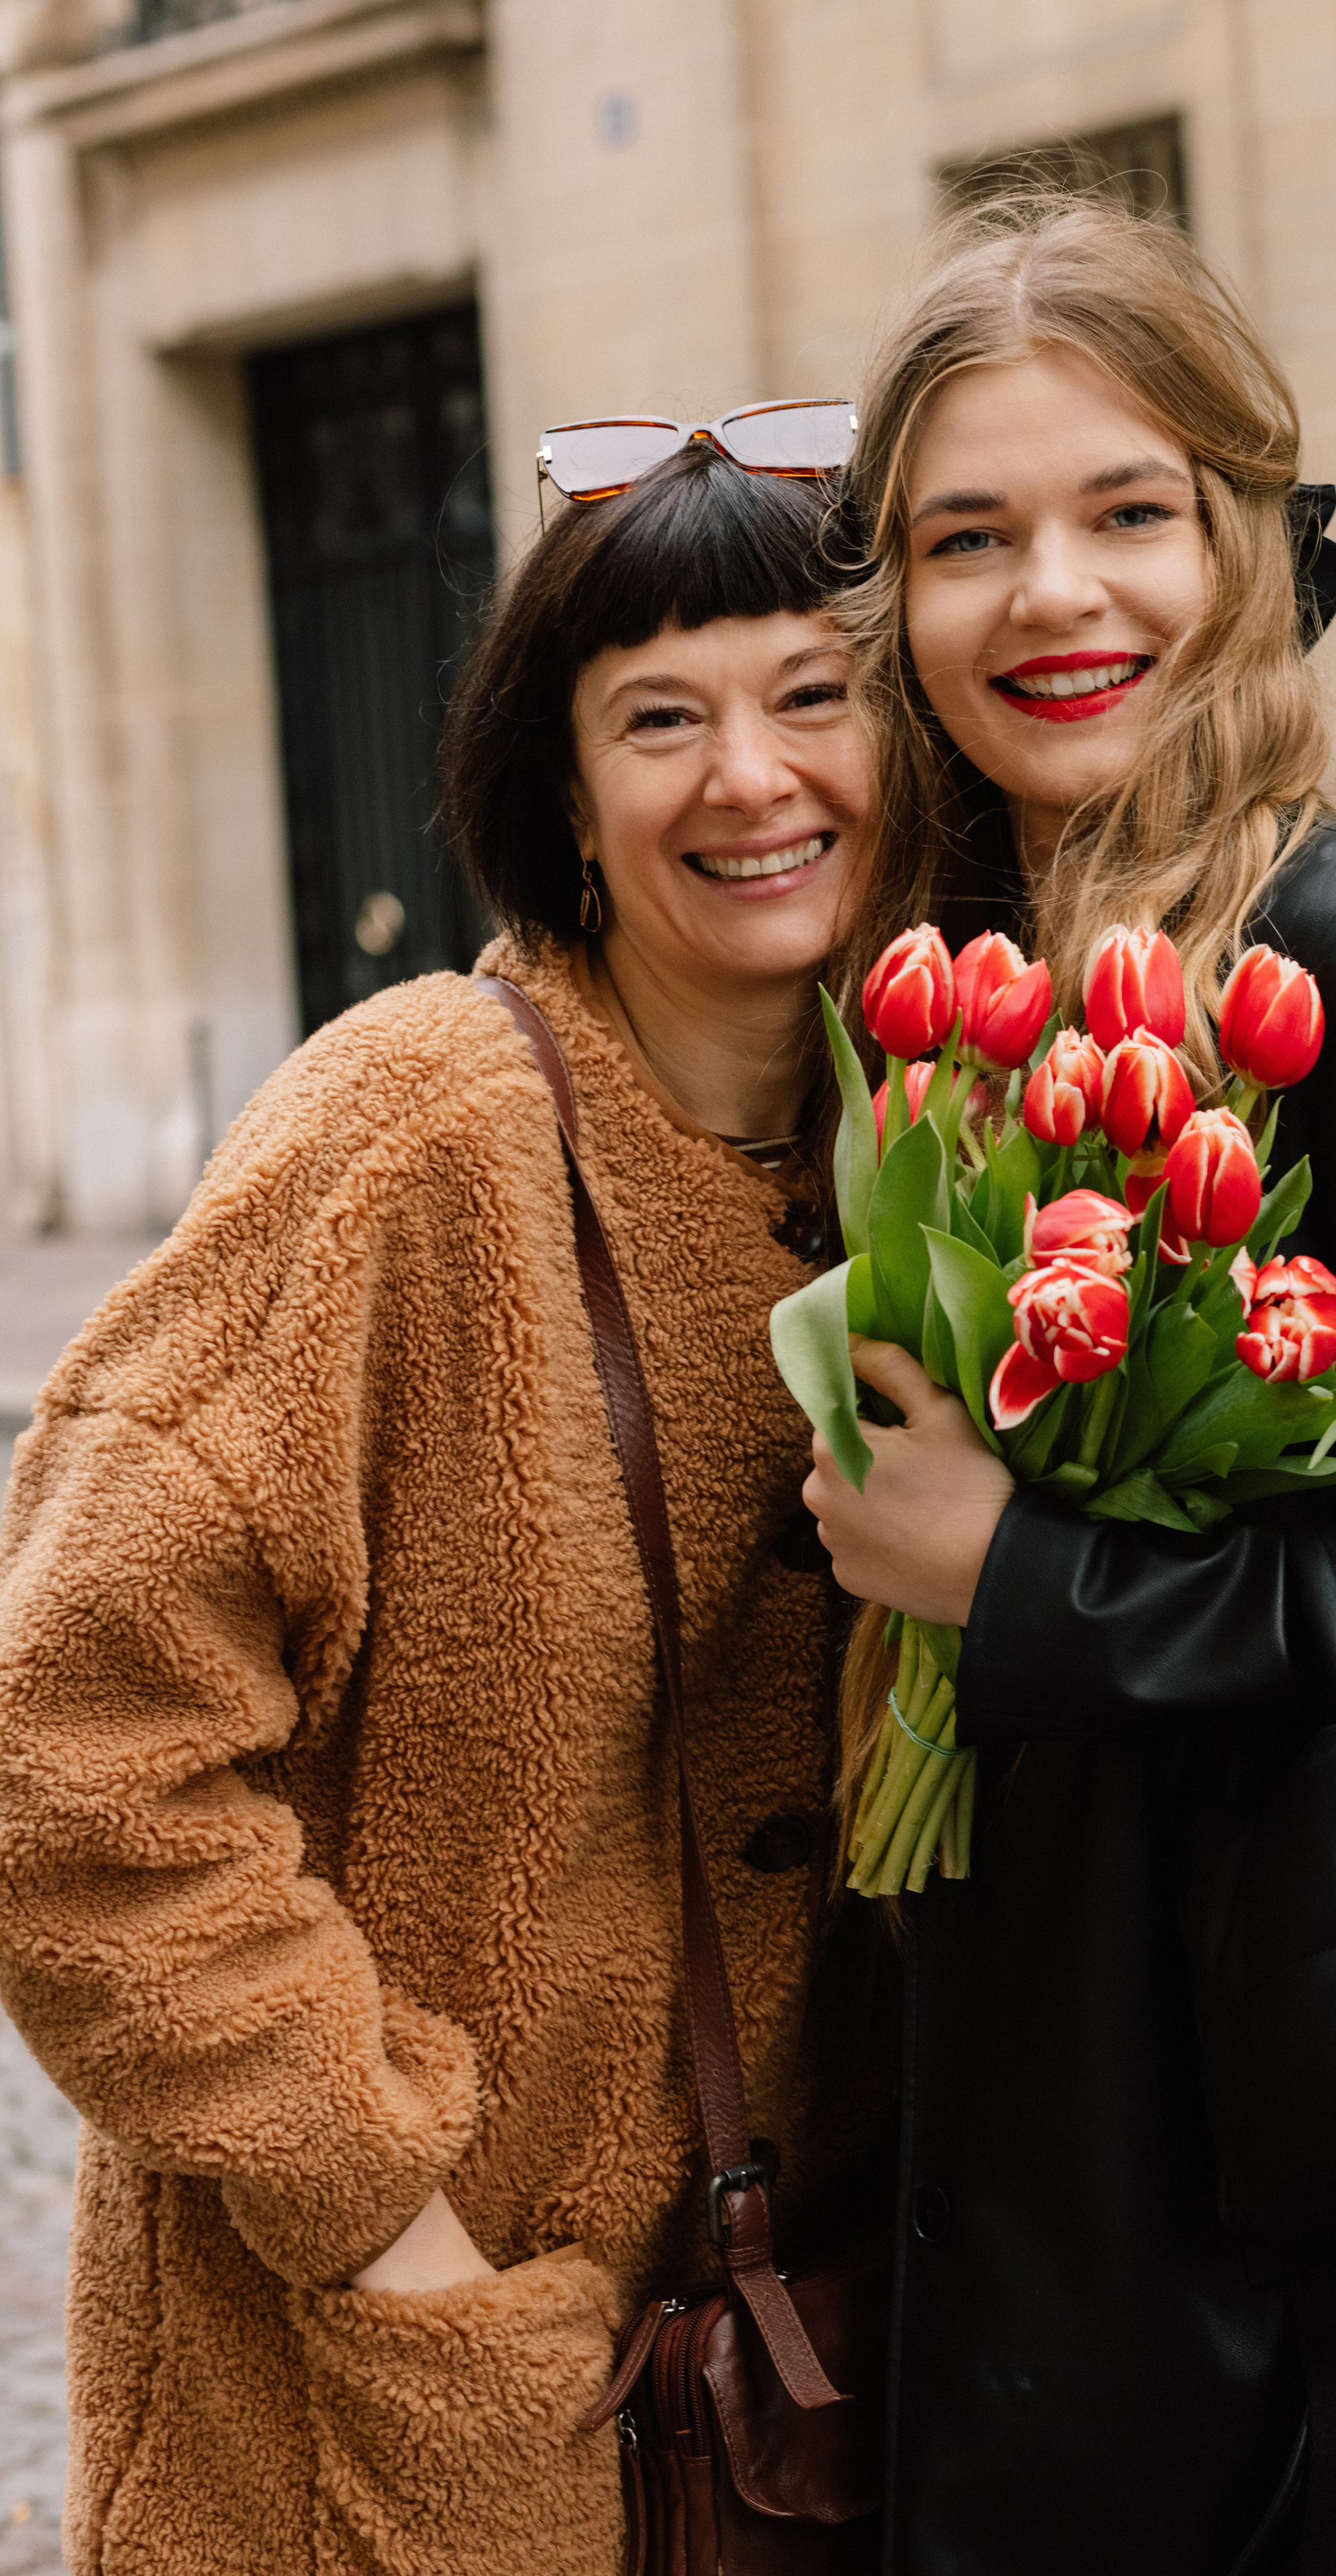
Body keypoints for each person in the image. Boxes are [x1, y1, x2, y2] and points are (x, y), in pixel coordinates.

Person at [805, 197, 1336, 2575]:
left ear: (1248, 542)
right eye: (967, 538)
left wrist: (1036, 1587)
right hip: (1045, 2168)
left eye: (1127, 513)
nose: (1051, 598)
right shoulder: (931, 998)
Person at [0, 441, 896, 2576]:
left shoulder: (950, 1152)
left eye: (813, 693)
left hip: (811, 2372)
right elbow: (66, 1747)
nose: (751, 775)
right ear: (562, 794)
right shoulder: (415, 1133)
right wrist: (388, 2230)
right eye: (661, 717)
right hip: (400, 2407)